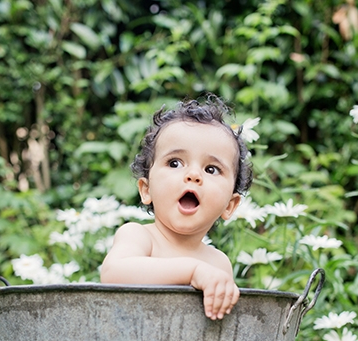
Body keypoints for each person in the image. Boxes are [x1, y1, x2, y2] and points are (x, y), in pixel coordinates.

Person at [100, 96, 253, 320]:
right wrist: (192, 272)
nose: (193, 175)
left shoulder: (218, 263)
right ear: (146, 189)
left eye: (211, 169)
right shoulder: (139, 236)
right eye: (175, 163)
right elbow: (114, 273)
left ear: (230, 206)